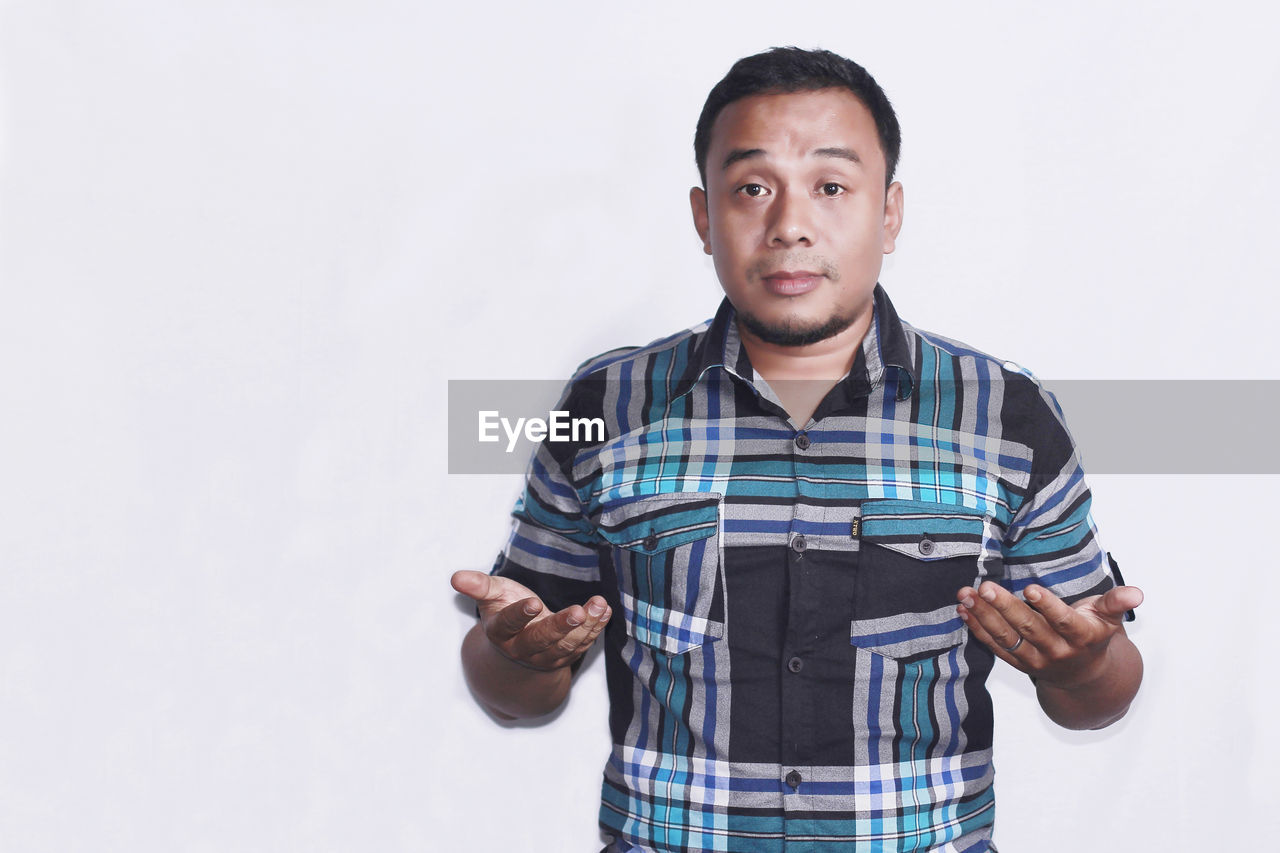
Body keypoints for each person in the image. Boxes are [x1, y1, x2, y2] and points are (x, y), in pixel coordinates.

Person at [452, 46, 1143, 852]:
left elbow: (1100, 690)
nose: (789, 224)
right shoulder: (607, 406)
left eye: (830, 186)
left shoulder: (1004, 414)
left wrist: (1080, 668)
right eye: (751, 188)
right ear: (704, 216)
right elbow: (515, 687)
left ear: (888, 214)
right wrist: (513, 655)